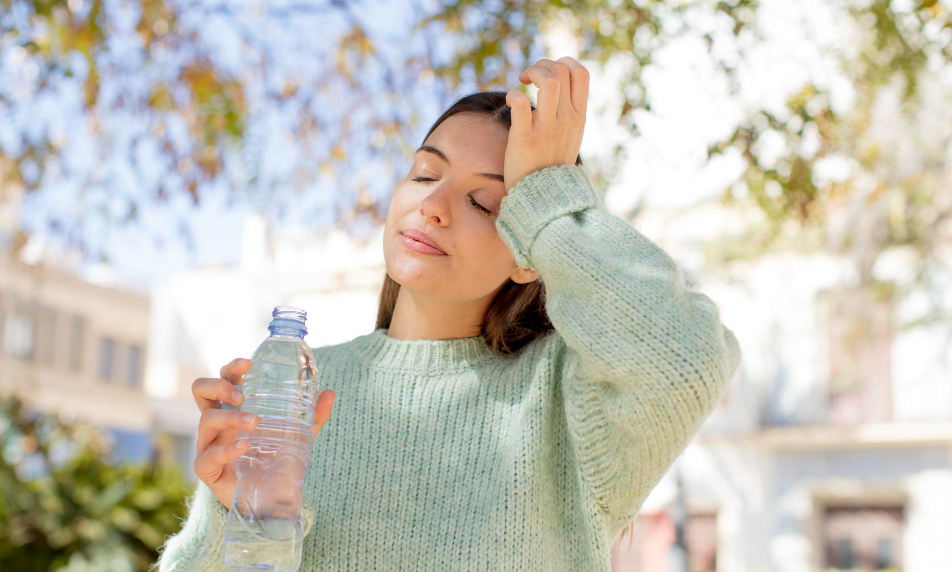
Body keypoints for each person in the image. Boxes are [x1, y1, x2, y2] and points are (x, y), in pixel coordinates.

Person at [153, 56, 741, 571]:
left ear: (529, 250)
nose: (432, 206)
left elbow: (684, 361)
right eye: (425, 174)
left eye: (484, 202)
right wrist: (233, 519)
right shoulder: (300, 393)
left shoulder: (566, 401)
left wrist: (552, 197)